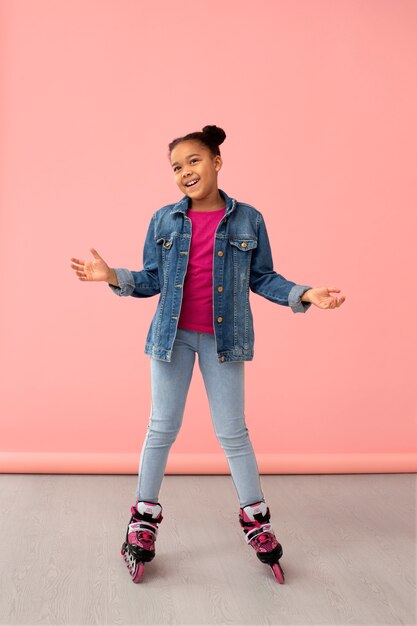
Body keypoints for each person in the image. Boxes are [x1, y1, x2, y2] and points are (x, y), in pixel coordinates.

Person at [70, 124, 346, 583]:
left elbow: (263, 278)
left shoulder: (248, 219)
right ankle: (142, 521)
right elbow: (153, 279)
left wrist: (305, 293)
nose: (185, 172)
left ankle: (257, 521)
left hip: (225, 341)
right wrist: (111, 275)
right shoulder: (164, 219)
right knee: (161, 428)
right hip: (171, 338)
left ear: (217, 162)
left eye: (194, 161)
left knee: (233, 432)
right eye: (176, 167)